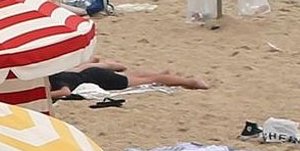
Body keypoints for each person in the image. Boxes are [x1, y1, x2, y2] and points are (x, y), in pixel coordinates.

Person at [47, 60, 209, 98]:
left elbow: (65, 92)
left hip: (100, 79)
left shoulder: (55, 82)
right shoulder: (51, 74)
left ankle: (191, 82)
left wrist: (47, 95)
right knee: (135, 75)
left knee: (153, 79)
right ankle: (166, 73)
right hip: (90, 72)